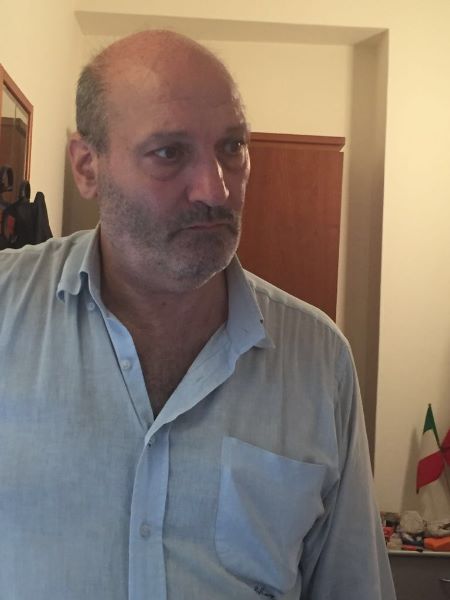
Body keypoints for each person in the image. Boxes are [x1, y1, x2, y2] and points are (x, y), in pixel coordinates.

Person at [0, 30, 396, 600]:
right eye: (169, 152)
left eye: (232, 147)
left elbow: (351, 586)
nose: (216, 188)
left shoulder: (318, 359)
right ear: (88, 167)